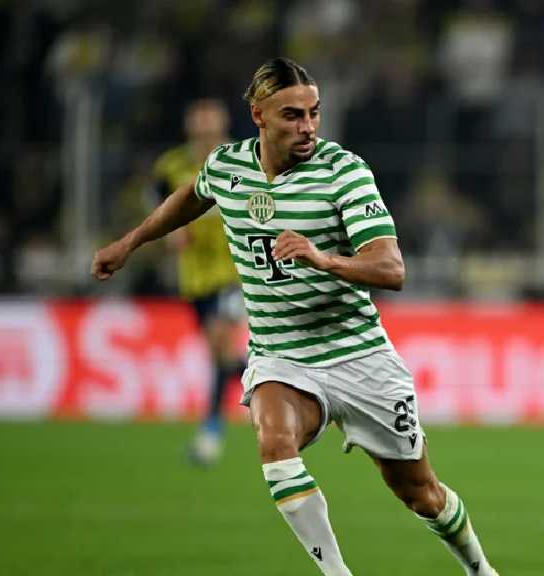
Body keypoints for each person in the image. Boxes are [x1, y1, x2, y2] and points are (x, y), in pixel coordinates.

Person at [93, 57, 497, 576]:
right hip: (281, 355)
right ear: (258, 116)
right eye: (292, 115)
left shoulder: (343, 172)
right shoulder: (227, 167)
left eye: (314, 113)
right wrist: (130, 243)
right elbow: (191, 197)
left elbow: (391, 268)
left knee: (421, 493)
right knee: (275, 443)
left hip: (358, 355)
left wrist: (323, 258)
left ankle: (480, 569)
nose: (307, 126)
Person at [150, 98, 245, 465]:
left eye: (211, 124)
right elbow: (157, 205)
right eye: (199, 123)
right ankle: (291, 388)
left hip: (236, 271)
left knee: (222, 339)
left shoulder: (241, 161)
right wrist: (169, 230)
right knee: (222, 356)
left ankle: (211, 432)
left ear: (222, 126)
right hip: (194, 276)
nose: (205, 130)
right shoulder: (171, 166)